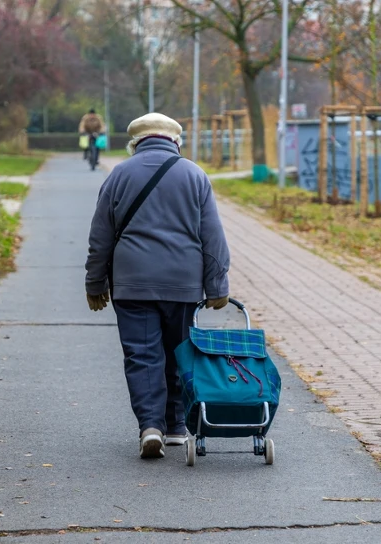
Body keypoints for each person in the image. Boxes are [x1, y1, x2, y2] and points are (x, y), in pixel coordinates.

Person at [84, 113, 231, 459]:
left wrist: (95, 283)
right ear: (175, 142)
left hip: (131, 283)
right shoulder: (195, 174)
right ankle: (177, 426)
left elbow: (100, 237)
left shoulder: (119, 174)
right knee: (180, 352)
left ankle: (151, 426)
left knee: (142, 355)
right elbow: (213, 236)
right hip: (183, 283)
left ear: (135, 144)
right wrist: (217, 285)